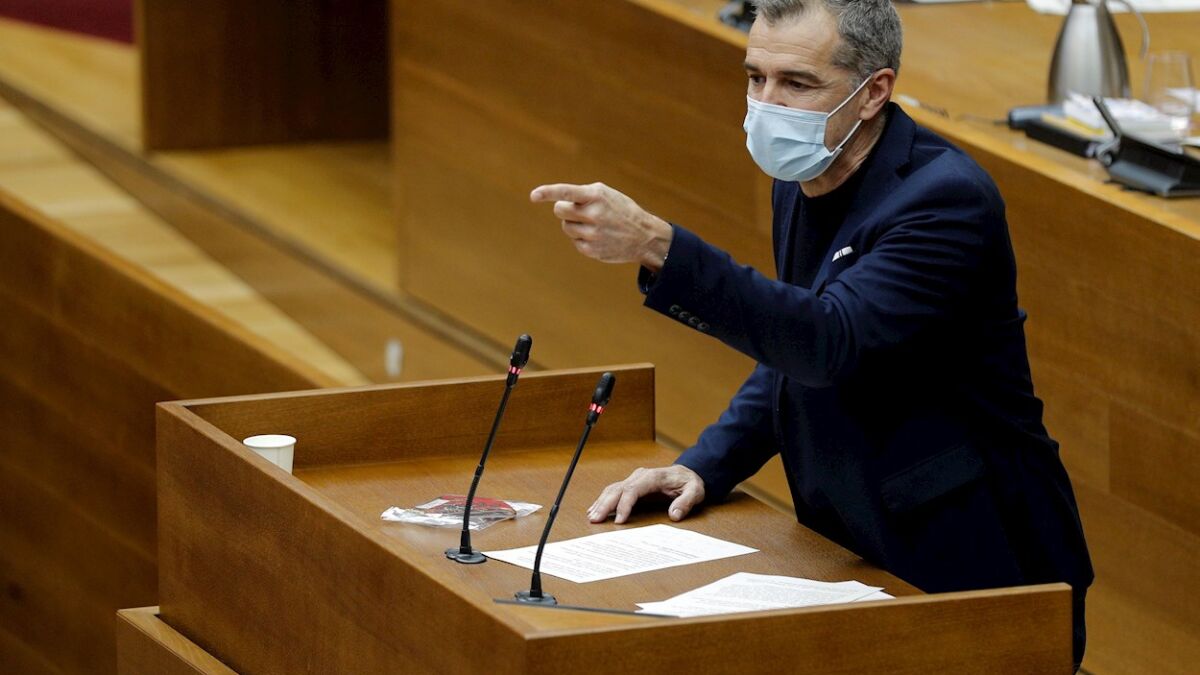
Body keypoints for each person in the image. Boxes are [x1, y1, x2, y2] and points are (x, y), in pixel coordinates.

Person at [530, 0, 1093, 668]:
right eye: (755, 77)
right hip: (851, 538)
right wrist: (705, 464)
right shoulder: (805, 176)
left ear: (873, 92)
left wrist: (660, 246)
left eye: (796, 83)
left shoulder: (945, 200)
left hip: (972, 556)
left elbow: (829, 341)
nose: (767, 103)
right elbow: (790, 347)